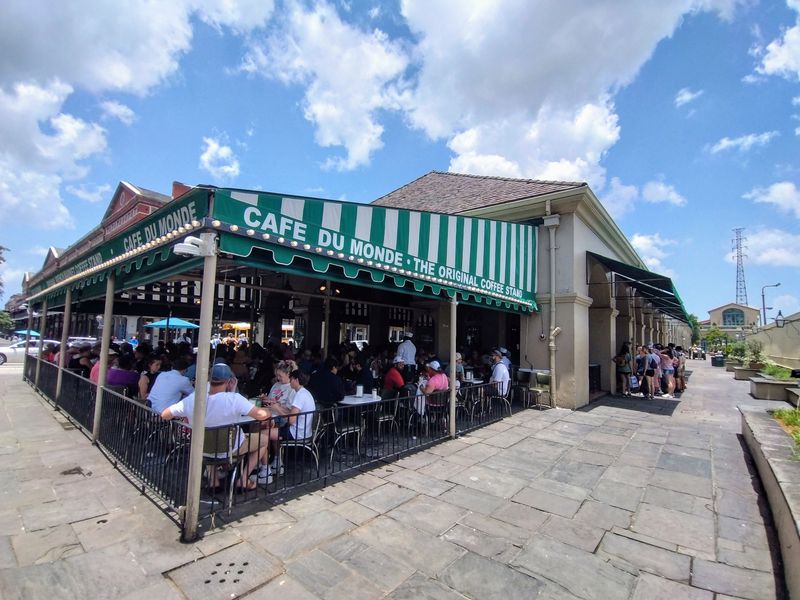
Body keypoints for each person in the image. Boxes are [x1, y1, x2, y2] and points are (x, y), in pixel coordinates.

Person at [161, 363, 271, 490]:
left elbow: (165, 414)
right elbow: (261, 415)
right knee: (264, 440)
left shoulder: (194, 398)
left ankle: (214, 480)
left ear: (209, 379)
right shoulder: (234, 399)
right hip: (230, 448)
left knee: (209, 437)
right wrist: (268, 411)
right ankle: (243, 479)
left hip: (203, 448)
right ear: (229, 381)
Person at [260, 369, 316, 481]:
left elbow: (291, 420)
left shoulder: (300, 395)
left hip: (296, 432)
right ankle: (275, 463)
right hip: (304, 431)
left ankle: (265, 471)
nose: (290, 381)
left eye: (291, 379)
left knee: (262, 435)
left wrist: (277, 409)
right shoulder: (305, 393)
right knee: (272, 429)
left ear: (296, 380)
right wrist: (278, 406)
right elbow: (292, 411)